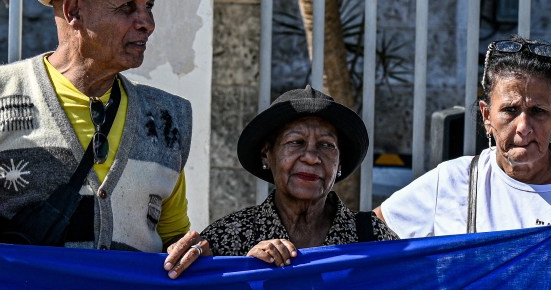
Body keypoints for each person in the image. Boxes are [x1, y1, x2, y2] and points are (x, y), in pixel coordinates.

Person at [0, 0, 192, 252]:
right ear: (73, 10)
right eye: (126, 6)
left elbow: (173, 236)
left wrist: (192, 249)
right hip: (22, 288)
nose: (147, 23)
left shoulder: (166, 117)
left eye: (149, 6)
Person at [374, 36, 551, 244]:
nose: (524, 127)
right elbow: (370, 236)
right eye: (510, 110)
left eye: (538, 111)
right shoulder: (453, 182)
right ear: (487, 116)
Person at [163, 86, 395, 279]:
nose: (311, 157)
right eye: (296, 142)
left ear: (340, 162)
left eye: (326, 145)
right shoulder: (228, 238)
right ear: (267, 155)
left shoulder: (372, 237)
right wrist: (245, 271)